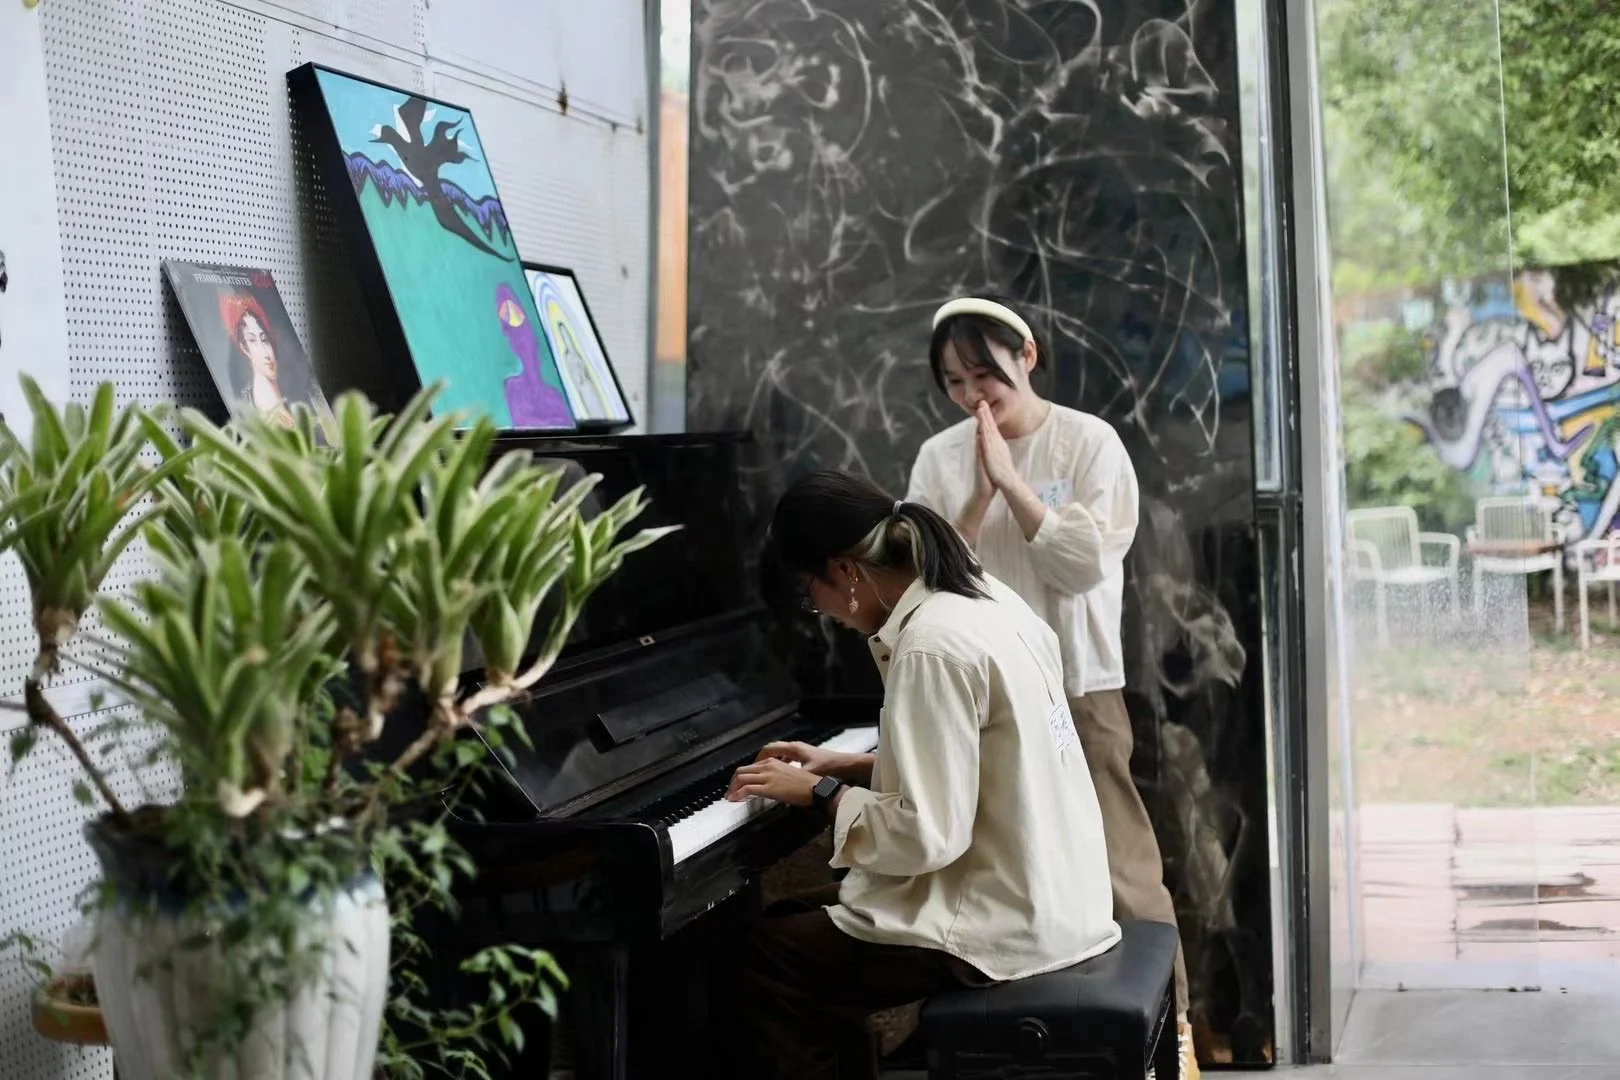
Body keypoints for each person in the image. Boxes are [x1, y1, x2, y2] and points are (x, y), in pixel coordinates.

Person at [727, 469, 1118, 1080]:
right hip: (1052, 892)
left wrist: (824, 793)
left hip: (1002, 921)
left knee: (765, 960)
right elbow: (982, 766)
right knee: (784, 924)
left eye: (811, 592)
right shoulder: (984, 598)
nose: (820, 612)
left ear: (845, 571)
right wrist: (847, 762)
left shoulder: (930, 645)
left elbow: (927, 836)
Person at [905, 293, 1199, 1079]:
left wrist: (1015, 484)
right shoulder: (938, 460)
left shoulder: (1088, 443)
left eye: (984, 374)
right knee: (1005, 879)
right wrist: (974, 494)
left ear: (1025, 357)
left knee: (1124, 875)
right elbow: (928, 583)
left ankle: (1174, 1048)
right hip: (978, 698)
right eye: (954, 382)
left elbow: (1083, 565)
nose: (974, 396)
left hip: (1080, 690)